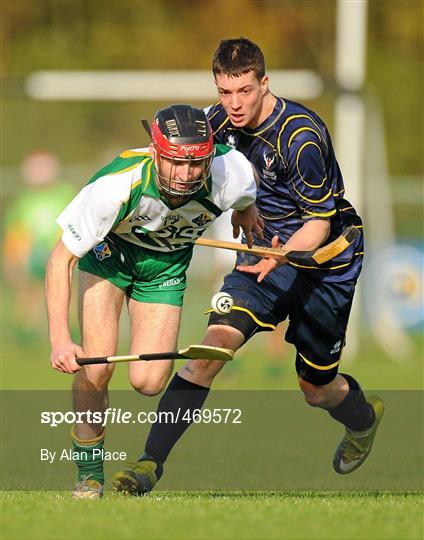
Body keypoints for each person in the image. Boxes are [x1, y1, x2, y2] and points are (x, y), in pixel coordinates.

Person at [112, 38, 385, 496]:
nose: (233, 104)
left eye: (243, 91)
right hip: (260, 256)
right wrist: (240, 205)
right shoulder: (217, 121)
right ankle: (147, 465)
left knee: (316, 388)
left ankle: (363, 417)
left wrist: (283, 257)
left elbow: (318, 224)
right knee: (209, 353)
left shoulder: (301, 138)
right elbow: (192, 162)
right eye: (224, 91)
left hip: (326, 262)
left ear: (264, 83)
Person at [45, 104, 262, 498]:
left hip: (163, 269)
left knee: (148, 381)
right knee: (96, 367)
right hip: (109, 259)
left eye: (196, 164)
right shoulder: (116, 187)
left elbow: (248, 194)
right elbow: (60, 260)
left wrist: (247, 212)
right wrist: (60, 338)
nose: (185, 175)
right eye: (175, 162)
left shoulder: (233, 175)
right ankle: (89, 475)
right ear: (156, 152)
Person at [4, 151, 74, 340]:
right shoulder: (24, 200)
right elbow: (17, 229)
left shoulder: (64, 194)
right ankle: (26, 336)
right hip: (32, 253)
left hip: (61, 248)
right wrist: (14, 257)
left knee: (67, 289)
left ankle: (72, 330)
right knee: (29, 292)